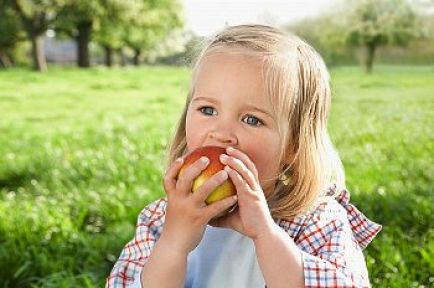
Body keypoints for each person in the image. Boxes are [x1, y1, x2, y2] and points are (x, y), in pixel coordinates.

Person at [106, 24, 382, 288]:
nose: (222, 133)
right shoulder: (162, 219)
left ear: (293, 146)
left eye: (251, 119)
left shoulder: (315, 221)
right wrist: (174, 243)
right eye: (207, 110)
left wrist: (264, 233)